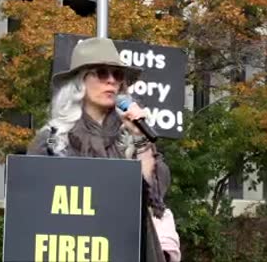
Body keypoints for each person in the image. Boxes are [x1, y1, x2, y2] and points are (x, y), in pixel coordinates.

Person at [27, 37, 181, 262]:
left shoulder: (131, 134)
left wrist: (140, 139)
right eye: (101, 73)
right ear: (80, 82)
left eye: (117, 75)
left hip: (126, 249)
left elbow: (154, 194)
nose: (111, 81)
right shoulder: (51, 140)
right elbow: (34, 207)